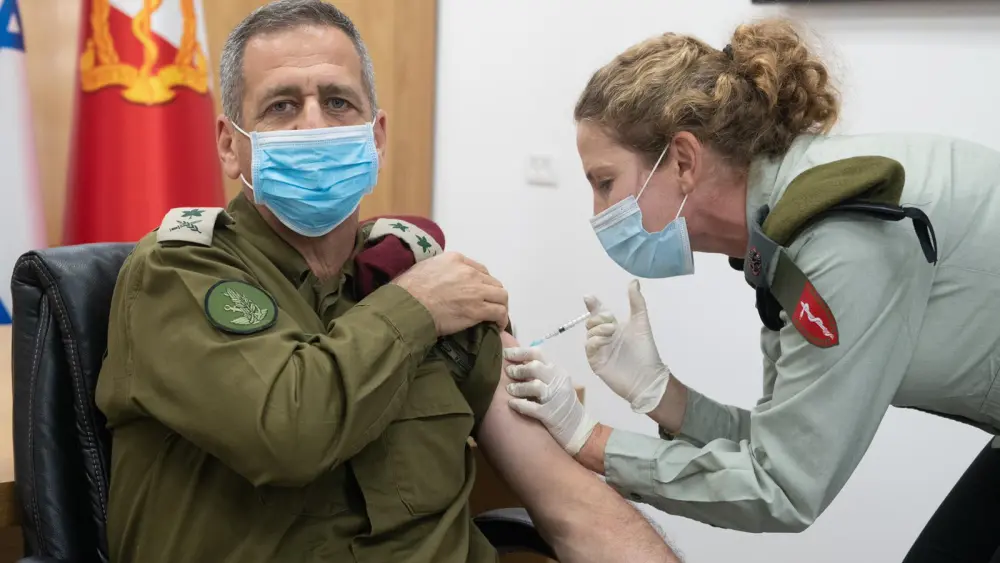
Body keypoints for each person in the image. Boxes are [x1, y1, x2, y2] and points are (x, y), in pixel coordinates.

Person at [94, 2, 682, 562]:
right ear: (230, 144)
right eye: (280, 106)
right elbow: (289, 432)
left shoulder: (410, 265)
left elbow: (568, 501)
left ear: (375, 136)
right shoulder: (178, 274)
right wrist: (416, 305)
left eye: (338, 102)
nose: (313, 125)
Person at [504, 17, 1000, 563]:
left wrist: (588, 439)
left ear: (684, 160)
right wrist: (660, 394)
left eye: (606, 183)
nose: (598, 214)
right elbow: (777, 444)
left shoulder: (837, 237)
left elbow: (782, 488)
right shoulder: (786, 229)